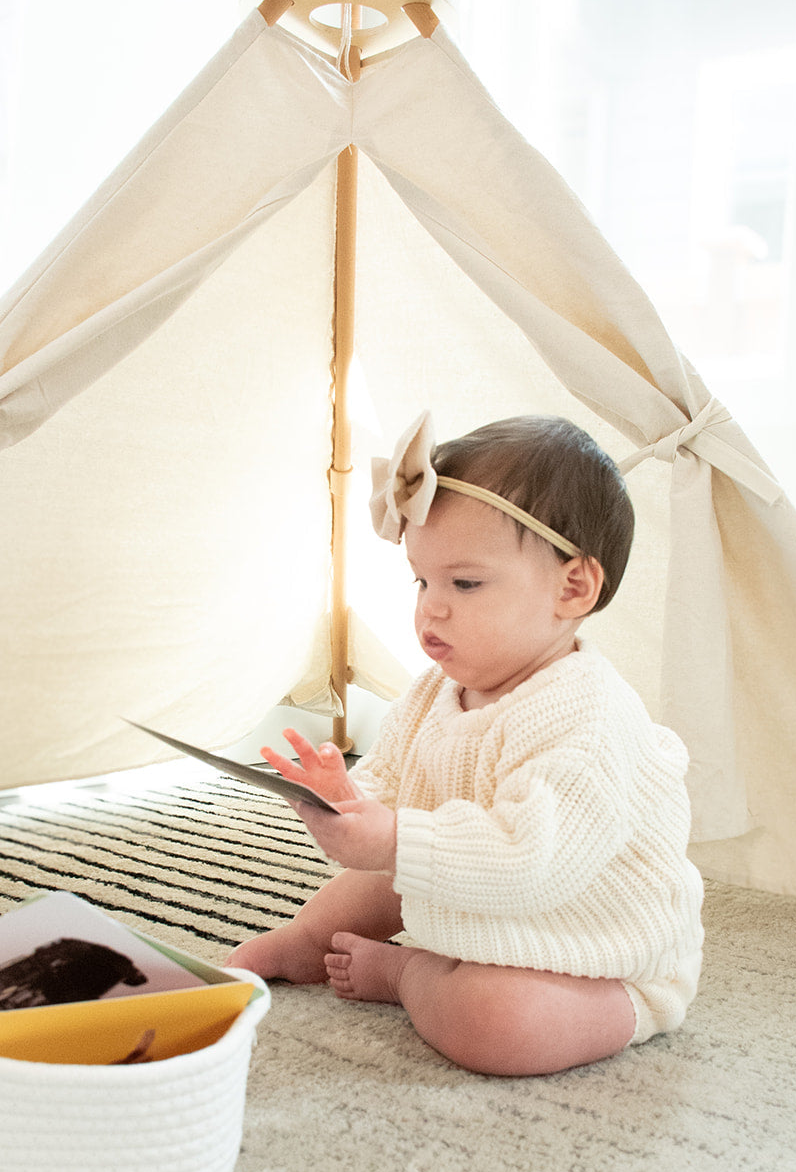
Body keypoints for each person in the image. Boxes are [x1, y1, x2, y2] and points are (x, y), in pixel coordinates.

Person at [227, 411, 703, 1077]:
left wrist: (394, 841)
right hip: (477, 900)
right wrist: (345, 801)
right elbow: (393, 791)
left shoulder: (587, 718)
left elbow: (529, 862)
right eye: (421, 581)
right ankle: (305, 942)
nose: (431, 608)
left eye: (465, 583)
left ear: (571, 587)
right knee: (373, 876)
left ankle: (409, 975)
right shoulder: (432, 692)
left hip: (592, 948)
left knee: (497, 1025)